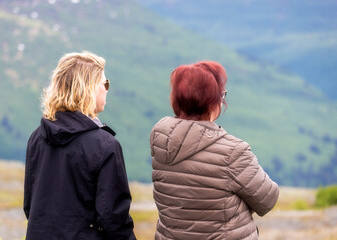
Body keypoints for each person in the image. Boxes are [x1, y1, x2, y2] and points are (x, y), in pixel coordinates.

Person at [150, 61, 279, 240]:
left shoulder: (161, 142)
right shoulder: (233, 153)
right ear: (212, 101)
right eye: (221, 95)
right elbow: (268, 199)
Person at [24, 51, 136, 240]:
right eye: (105, 83)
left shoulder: (37, 137)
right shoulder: (105, 145)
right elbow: (114, 220)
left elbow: (31, 207)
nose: (107, 89)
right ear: (89, 88)